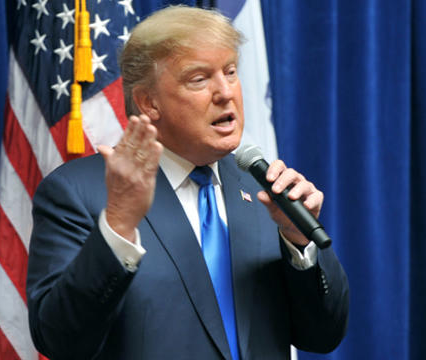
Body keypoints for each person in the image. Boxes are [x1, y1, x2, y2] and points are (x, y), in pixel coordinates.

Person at [26, 5, 349, 360]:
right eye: (199, 79)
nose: (225, 92)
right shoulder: (81, 193)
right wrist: (118, 224)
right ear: (149, 103)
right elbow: (59, 340)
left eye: (230, 72)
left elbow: (323, 335)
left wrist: (298, 242)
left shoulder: (264, 191)